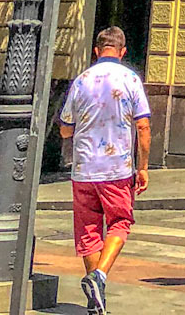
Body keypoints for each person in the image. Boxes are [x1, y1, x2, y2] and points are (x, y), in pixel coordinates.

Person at [59, 26, 151, 313]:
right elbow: (144, 126)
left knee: (88, 232)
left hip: (83, 169)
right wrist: (144, 167)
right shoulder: (130, 79)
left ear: (97, 51)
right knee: (120, 223)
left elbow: (64, 130)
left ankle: (95, 300)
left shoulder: (80, 81)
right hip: (117, 169)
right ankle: (99, 276)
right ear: (123, 52)